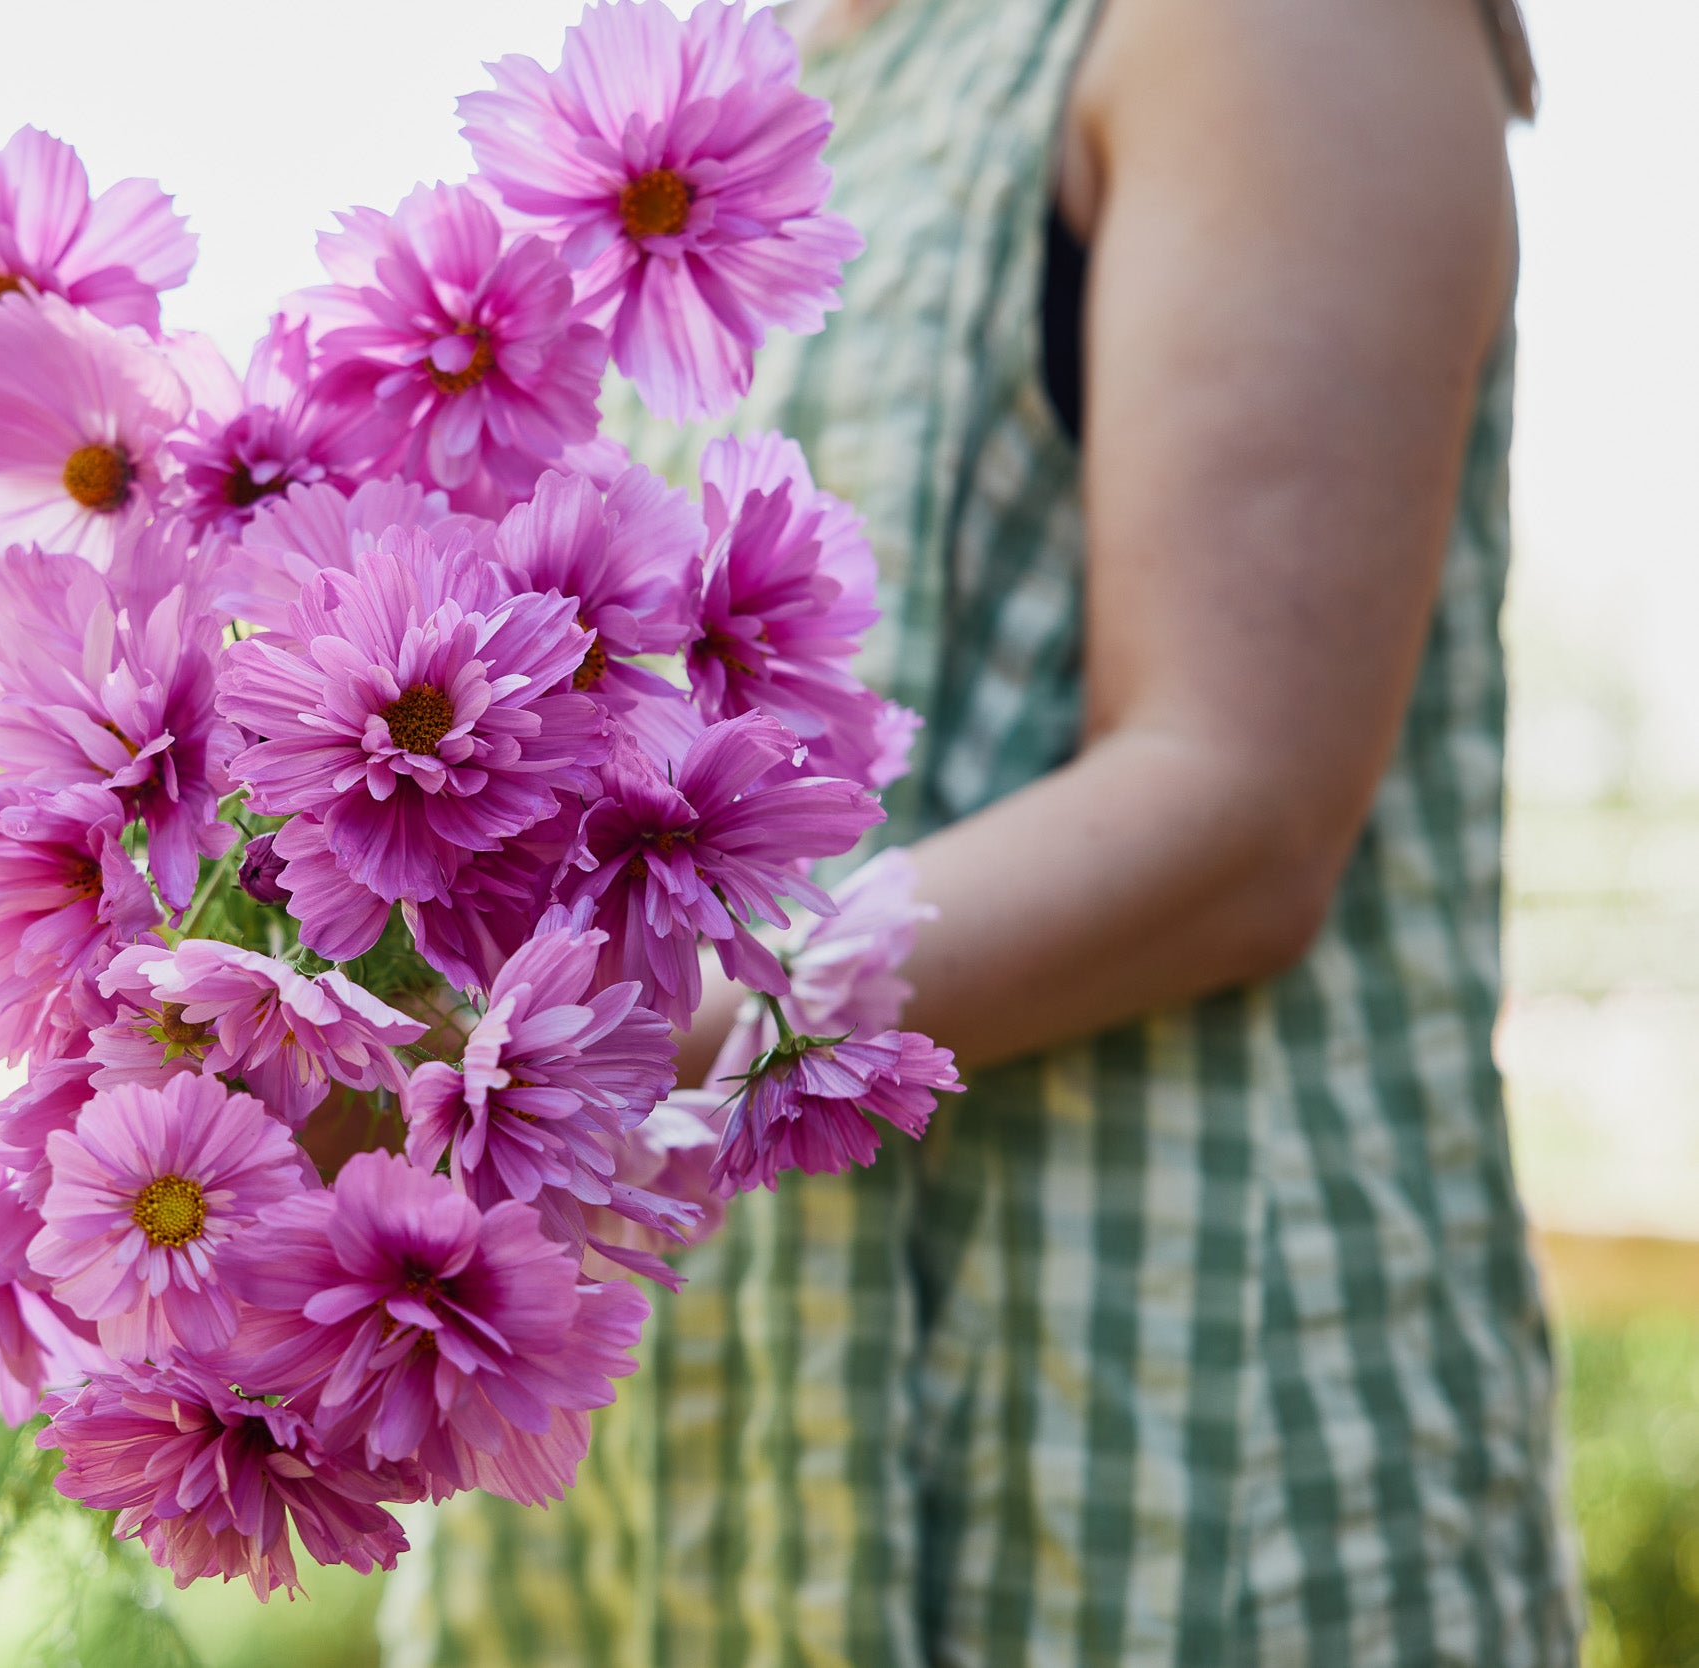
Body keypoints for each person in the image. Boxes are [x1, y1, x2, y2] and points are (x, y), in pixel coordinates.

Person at [382, 0, 1577, 1660]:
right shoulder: (741, 64)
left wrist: (518, 1071)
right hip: (659, 1529)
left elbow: (1237, 813)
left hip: (1155, 1468)